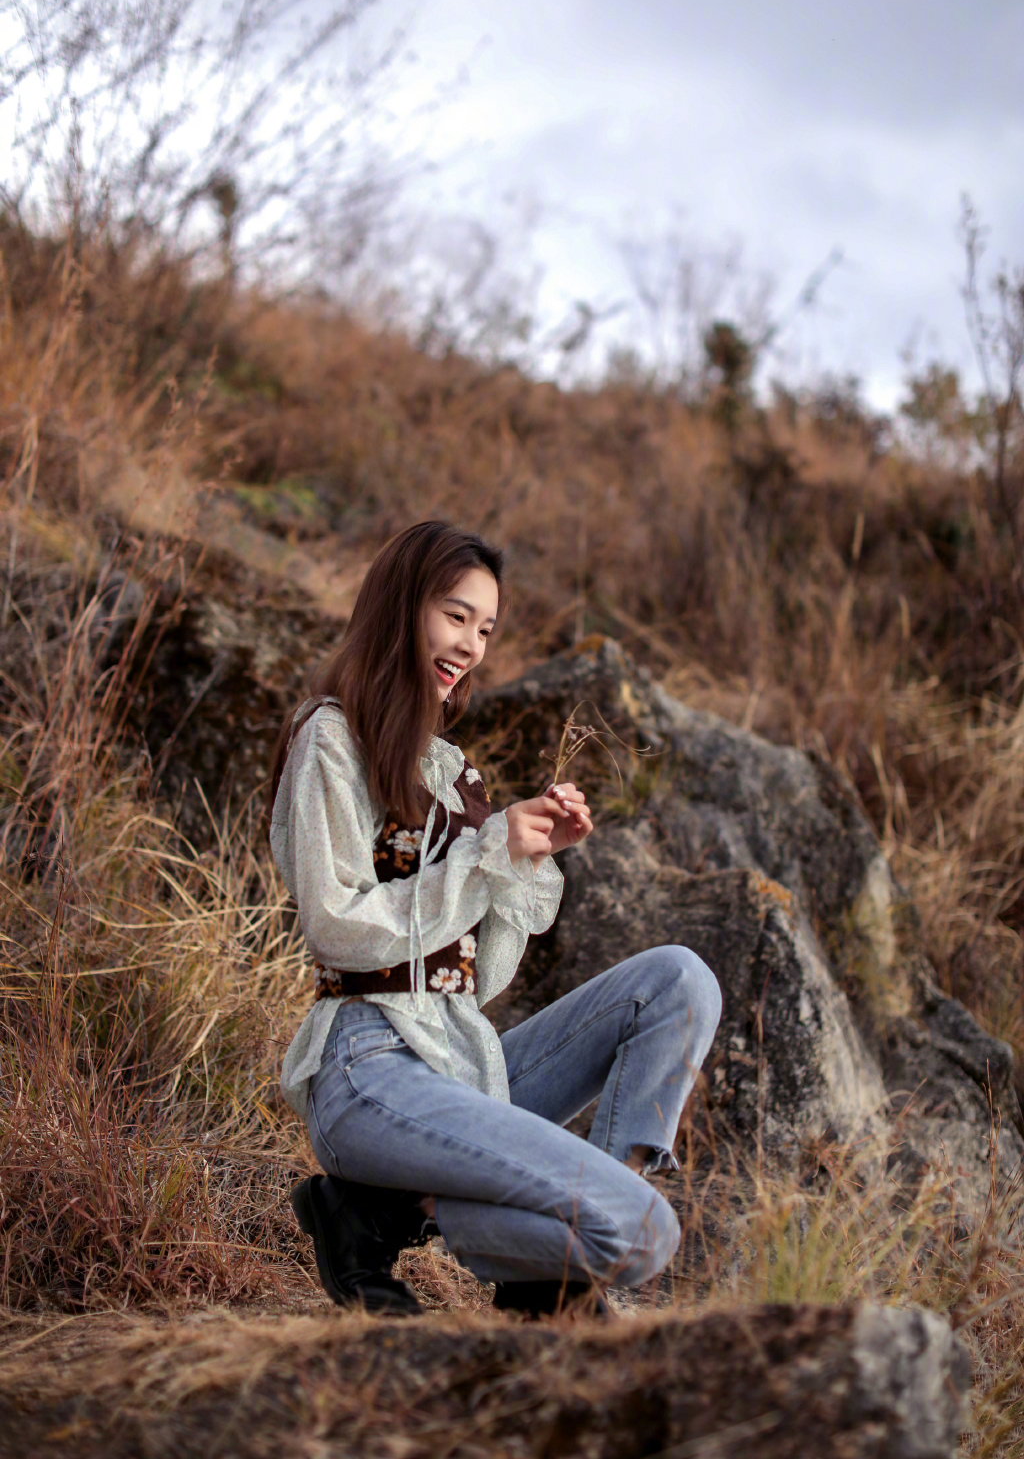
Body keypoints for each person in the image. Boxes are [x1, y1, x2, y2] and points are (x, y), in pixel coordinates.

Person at [269, 520, 721, 1317]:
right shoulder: (330, 739)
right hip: (367, 1069)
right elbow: (336, 923)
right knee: (646, 1234)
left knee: (678, 980)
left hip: (457, 1057)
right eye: (455, 616)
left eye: (486, 628)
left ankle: (536, 1268)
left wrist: (524, 857)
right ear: (400, 608)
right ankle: (450, 1225)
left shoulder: (447, 770)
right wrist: (480, 860)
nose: (471, 644)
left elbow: (476, 983)